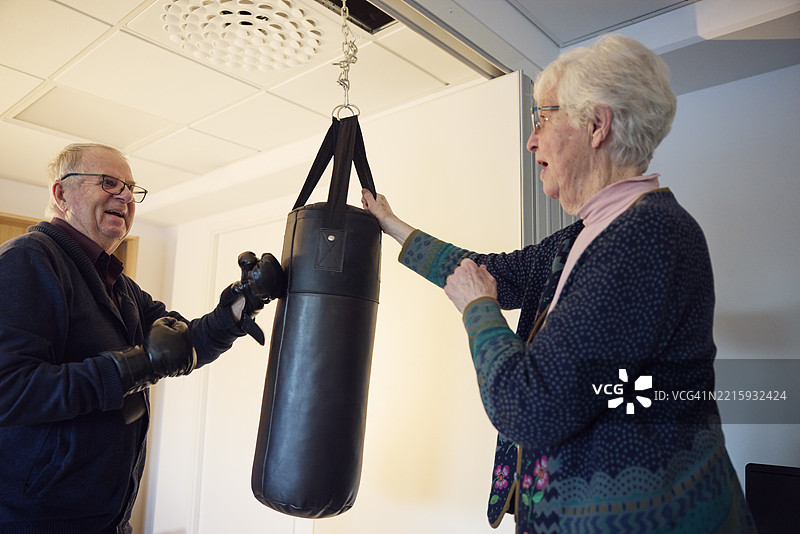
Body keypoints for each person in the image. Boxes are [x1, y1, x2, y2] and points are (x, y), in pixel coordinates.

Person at [362, 34, 755, 533]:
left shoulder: (649, 235)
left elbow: (529, 408)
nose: (531, 140)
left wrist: (477, 312)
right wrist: (395, 226)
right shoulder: (584, 238)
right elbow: (486, 274)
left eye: (541, 119)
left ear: (596, 125)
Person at [0, 143, 284, 533]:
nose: (125, 196)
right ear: (61, 193)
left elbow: (184, 344)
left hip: (111, 518)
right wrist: (137, 364)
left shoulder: (122, 287)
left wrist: (245, 302)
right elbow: (9, 390)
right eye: (109, 182)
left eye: (131, 189)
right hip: (35, 521)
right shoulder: (28, 259)